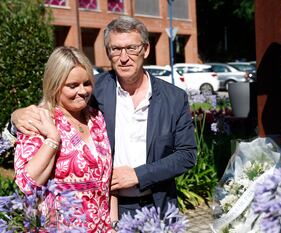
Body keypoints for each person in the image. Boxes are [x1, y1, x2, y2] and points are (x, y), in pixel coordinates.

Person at [11, 16, 197, 228]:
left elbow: (187, 155)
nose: (123, 57)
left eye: (131, 48)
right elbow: (51, 103)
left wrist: (138, 175)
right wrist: (16, 116)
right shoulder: (92, 90)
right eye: (115, 49)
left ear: (145, 50)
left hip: (158, 204)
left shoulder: (174, 98)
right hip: (104, 210)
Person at [13, 47, 114, 231]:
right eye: (73, 85)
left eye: (87, 83)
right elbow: (27, 183)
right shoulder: (40, 119)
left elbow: (106, 180)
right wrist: (53, 138)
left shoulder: (96, 118)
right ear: (55, 85)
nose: (83, 91)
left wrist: (112, 224)